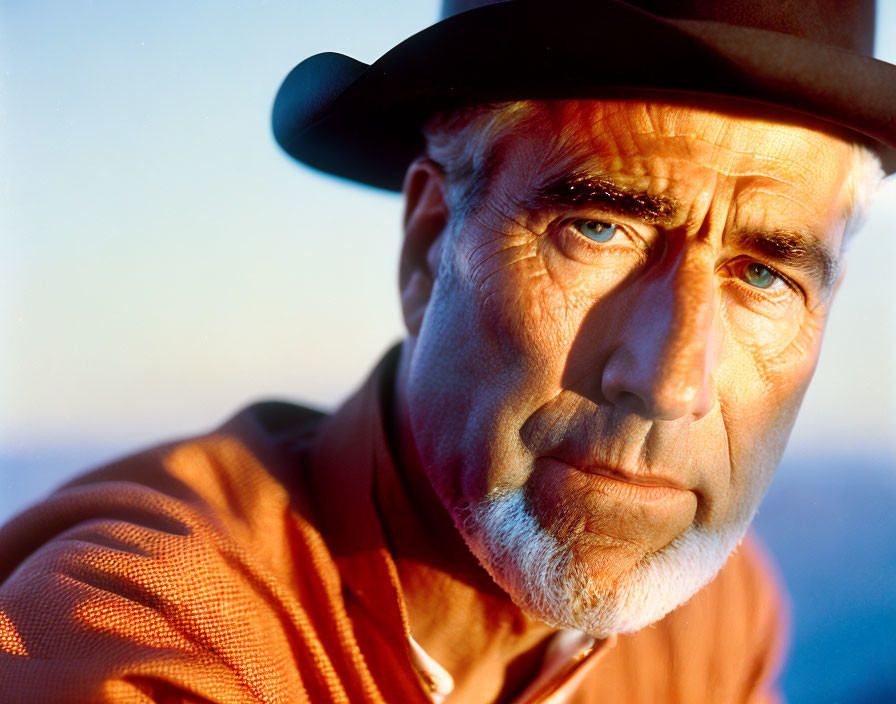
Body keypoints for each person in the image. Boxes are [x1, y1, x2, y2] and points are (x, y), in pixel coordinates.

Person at [1, 0, 894, 702]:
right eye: (598, 227)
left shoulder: (711, 624)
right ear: (431, 244)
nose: (668, 383)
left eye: (767, 277)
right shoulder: (145, 647)